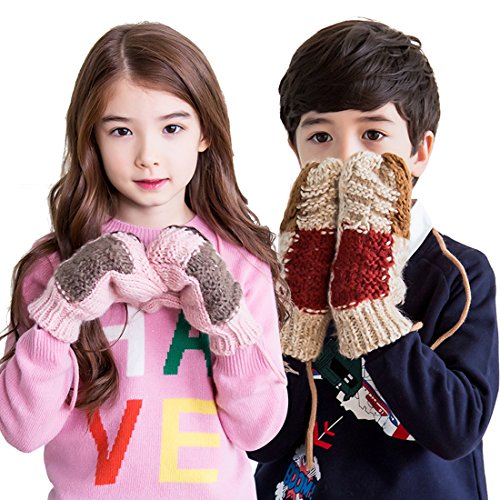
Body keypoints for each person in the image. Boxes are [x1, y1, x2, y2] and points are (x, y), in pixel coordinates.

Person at [0, 22, 287, 499]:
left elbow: (258, 432)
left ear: (204, 132)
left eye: (172, 128)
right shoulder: (54, 268)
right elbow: (23, 430)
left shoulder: (240, 265)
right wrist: (59, 313)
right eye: (121, 131)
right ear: (92, 138)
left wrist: (227, 318)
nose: (147, 156)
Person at [249, 19, 498, 499]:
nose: (346, 157)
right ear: (295, 149)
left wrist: (368, 308)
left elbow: (457, 429)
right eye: (320, 137)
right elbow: (263, 440)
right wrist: (302, 309)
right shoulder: (271, 273)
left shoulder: (458, 273)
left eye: (373, 134)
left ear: (419, 151)